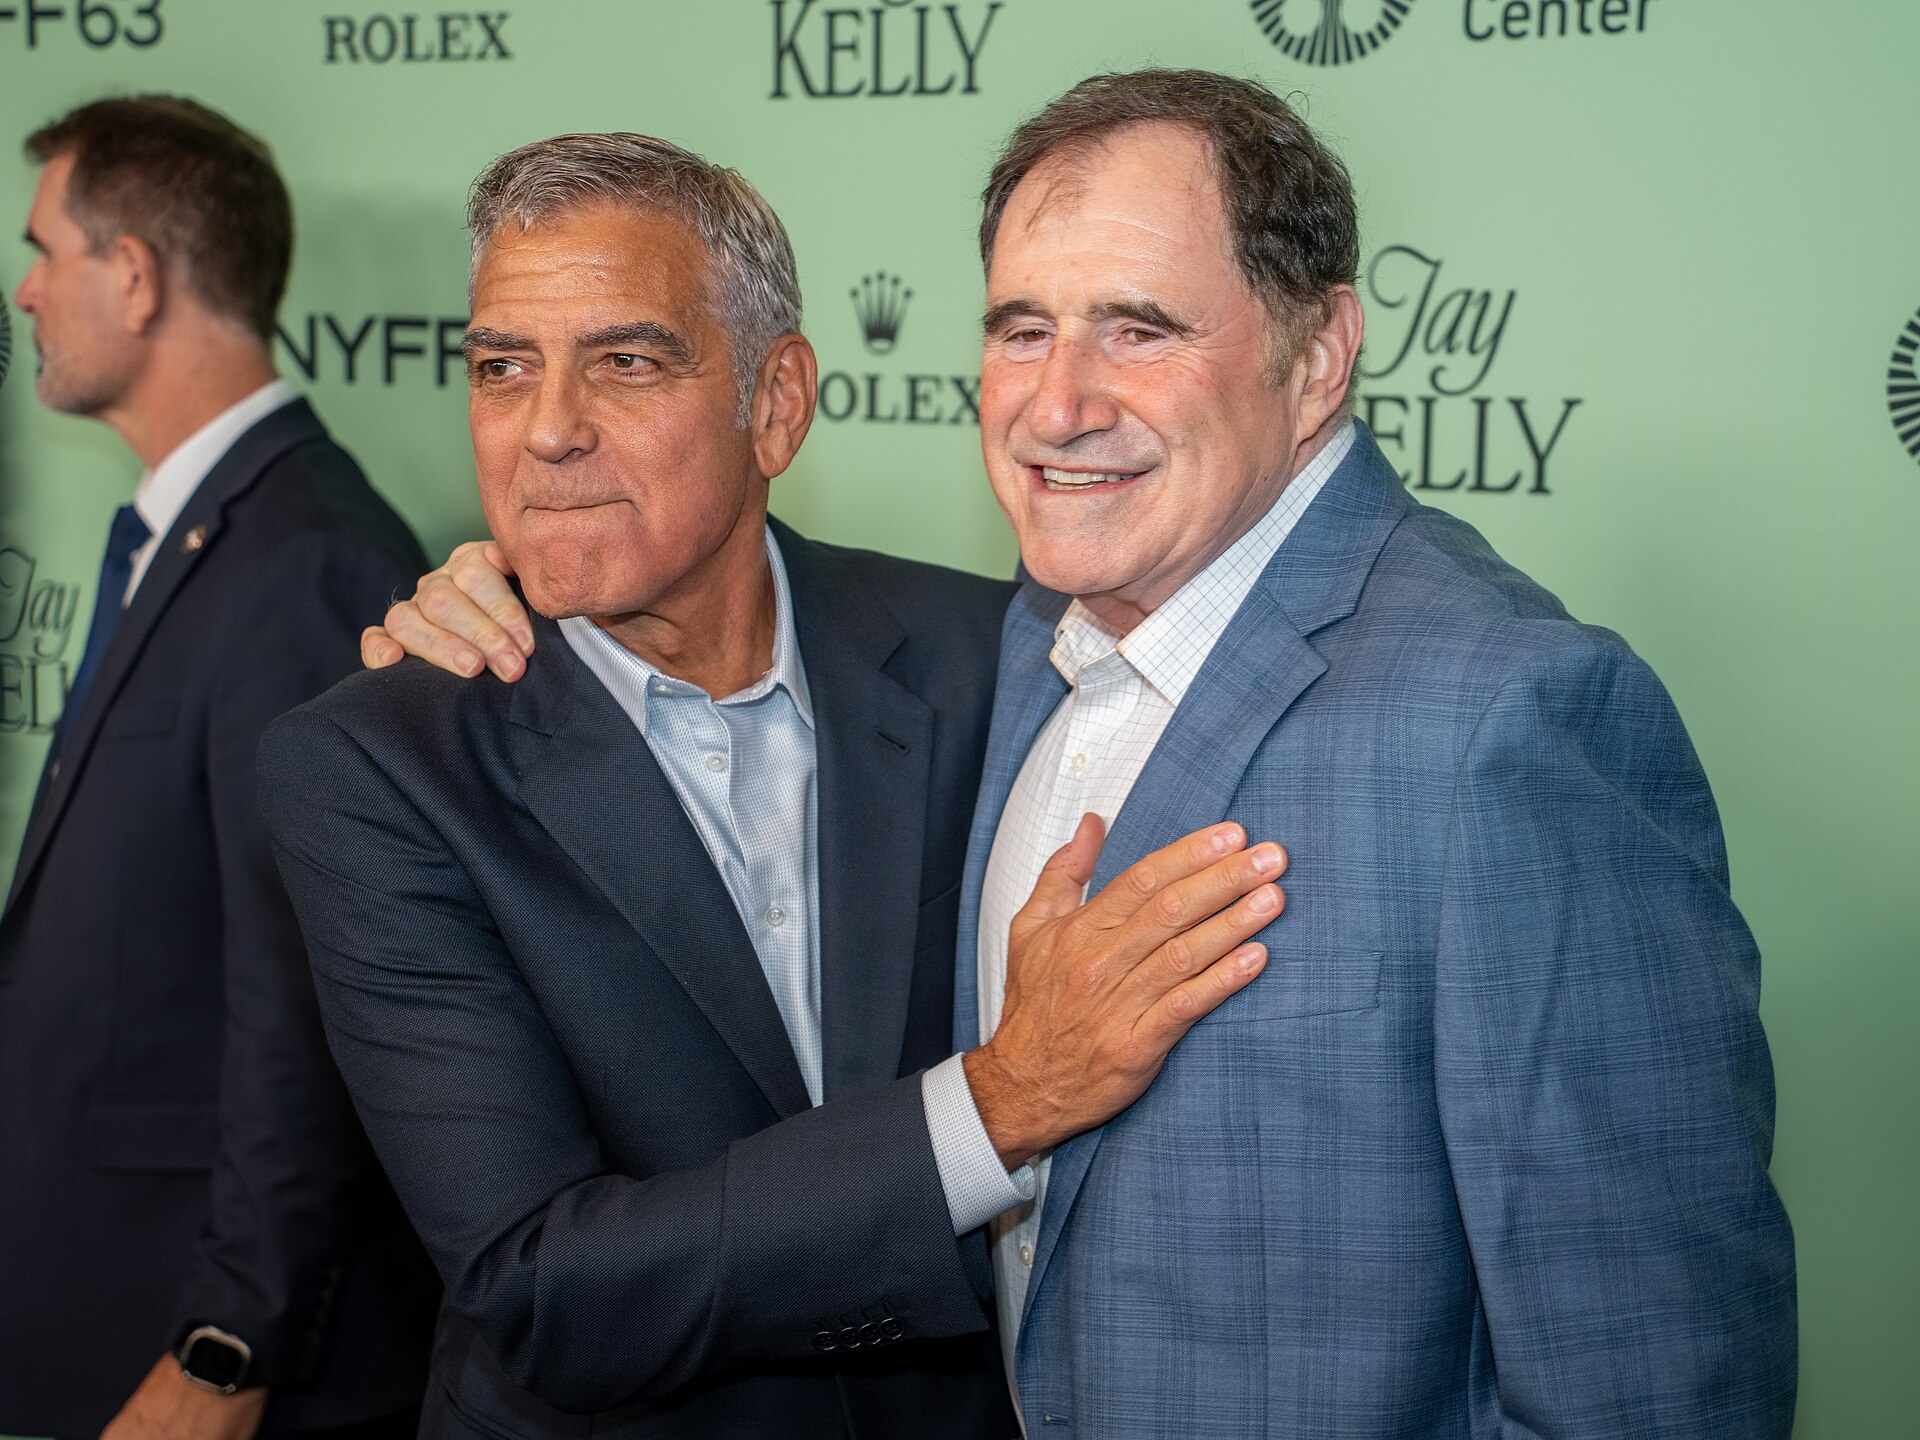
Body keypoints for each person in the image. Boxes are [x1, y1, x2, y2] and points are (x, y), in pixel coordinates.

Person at [381, 71, 1799, 1438]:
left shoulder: (1509, 719)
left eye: (1139, 330)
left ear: (1318, 357)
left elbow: (1651, 1379)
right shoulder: (996, 650)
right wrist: (531, 580)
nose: (1057, 403)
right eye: (1020, 329)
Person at [256, 132, 1285, 1439]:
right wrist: (1002, 1101)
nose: (550, 429)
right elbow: (542, 1285)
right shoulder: (379, 764)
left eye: (625, 362)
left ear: (778, 401)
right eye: (503, 368)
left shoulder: (1003, 661)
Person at [0, 97, 438, 1439]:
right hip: (95, 1299)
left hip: (198, 1347)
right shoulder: (198, 535)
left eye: (42, 251)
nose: (22, 292)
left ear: (132, 276)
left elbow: (305, 999)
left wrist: (228, 1341)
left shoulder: (307, 559)